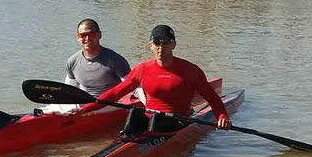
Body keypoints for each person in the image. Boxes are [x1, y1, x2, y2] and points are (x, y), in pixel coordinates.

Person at [74, 24, 230, 130]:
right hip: (150, 121)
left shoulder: (190, 70)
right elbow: (115, 94)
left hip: (177, 122)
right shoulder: (142, 69)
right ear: (151, 46)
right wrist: (85, 110)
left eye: (165, 43)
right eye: (157, 43)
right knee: (134, 115)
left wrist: (222, 116)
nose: (161, 47)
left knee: (155, 121)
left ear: (173, 45)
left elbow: (213, 98)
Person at [65, 19, 131, 97]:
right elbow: (68, 91)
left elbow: (131, 88)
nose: (87, 38)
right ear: (78, 38)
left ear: (99, 35)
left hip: (110, 104)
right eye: (83, 35)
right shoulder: (72, 61)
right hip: (84, 104)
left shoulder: (115, 60)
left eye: (91, 34)